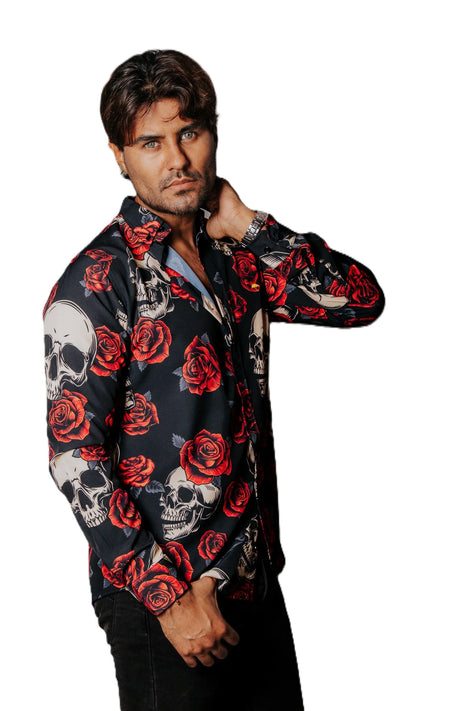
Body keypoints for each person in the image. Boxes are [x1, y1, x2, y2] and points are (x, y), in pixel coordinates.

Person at [43, 49, 384, 711]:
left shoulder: (237, 256)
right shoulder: (98, 279)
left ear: (213, 133)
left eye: (189, 133)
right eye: (151, 143)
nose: (177, 159)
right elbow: (74, 455)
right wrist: (168, 597)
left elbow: (359, 300)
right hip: (162, 595)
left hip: (250, 576)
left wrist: (250, 225)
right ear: (119, 156)